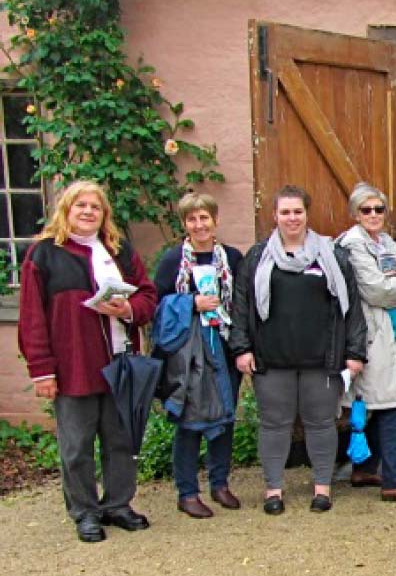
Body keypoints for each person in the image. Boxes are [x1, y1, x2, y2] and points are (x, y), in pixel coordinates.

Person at [18, 180, 158, 542]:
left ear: (104, 214)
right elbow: (32, 318)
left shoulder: (118, 250)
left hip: (119, 362)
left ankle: (117, 505)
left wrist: (128, 308)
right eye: (81, 205)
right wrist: (42, 371)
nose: (88, 212)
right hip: (73, 365)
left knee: (120, 441)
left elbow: (147, 296)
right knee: (77, 445)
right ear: (67, 209)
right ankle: (85, 511)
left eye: (95, 207)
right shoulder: (44, 254)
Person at [230, 185, 367, 515]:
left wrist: (355, 352)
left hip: (322, 359)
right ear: (274, 215)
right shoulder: (256, 257)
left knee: (321, 423)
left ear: (307, 214)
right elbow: (241, 305)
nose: (292, 218)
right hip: (271, 358)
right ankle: (273, 489)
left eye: (298, 211)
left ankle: (322, 488)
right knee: (274, 424)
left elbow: (352, 309)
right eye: (285, 212)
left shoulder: (333, 256)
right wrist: (241, 347)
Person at [336, 183, 396, 502]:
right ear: (354, 213)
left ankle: (364, 469)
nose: (374, 215)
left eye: (379, 209)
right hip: (373, 336)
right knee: (393, 406)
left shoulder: (387, 242)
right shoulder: (353, 245)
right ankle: (394, 481)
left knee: (381, 401)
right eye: (366, 209)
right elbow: (377, 290)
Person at [153, 192, 244, 518]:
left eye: (204, 217)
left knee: (225, 416)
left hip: (223, 343)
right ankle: (187, 491)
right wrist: (191, 303)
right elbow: (158, 306)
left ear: (215, 220)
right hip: (189, 351)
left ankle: (220, 483)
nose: (199, 224)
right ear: (184, 224)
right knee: (190, 421)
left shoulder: (232, 258)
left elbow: (243, 303)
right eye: (192, 219)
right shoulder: (172, 261)